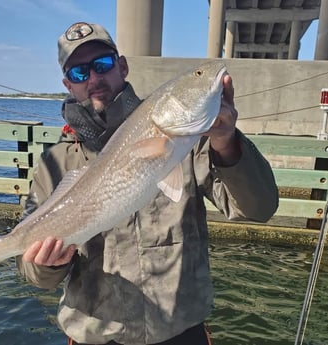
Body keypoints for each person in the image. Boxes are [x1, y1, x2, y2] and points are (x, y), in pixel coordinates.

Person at [16, 22, 279, 345]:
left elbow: (259, 208)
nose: (94, 79)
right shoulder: (53, 165)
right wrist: (47, 265)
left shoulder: (193, 143)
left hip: (180, 331)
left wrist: (227, 142)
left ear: (122, 66)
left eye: (102, 65)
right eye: (80, 73)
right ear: (68, 84)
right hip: (95, 335)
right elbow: (34, 275)